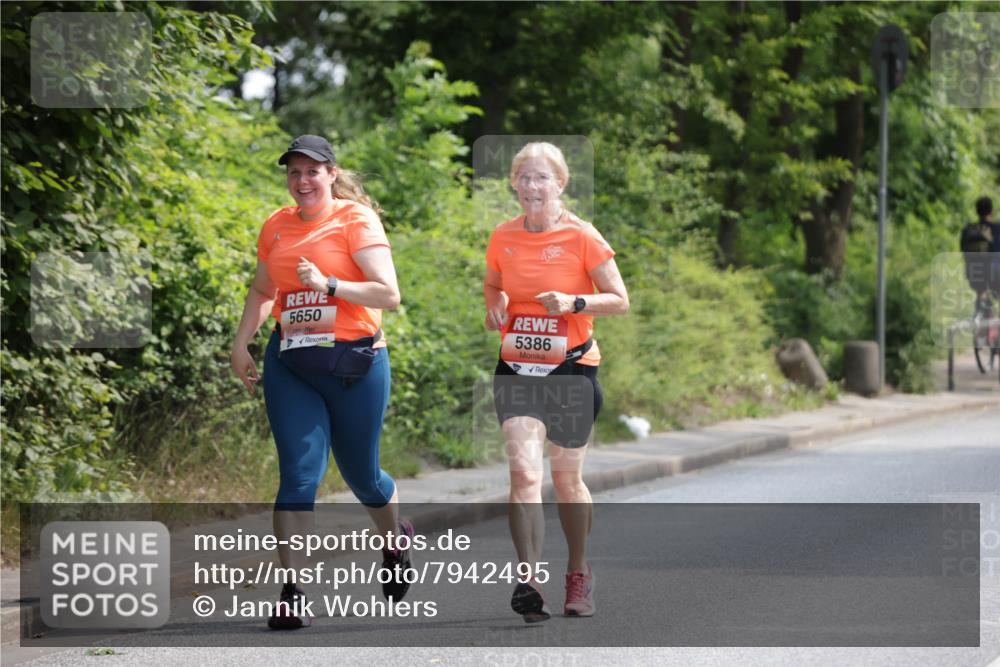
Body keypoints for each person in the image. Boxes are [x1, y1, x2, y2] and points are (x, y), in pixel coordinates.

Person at [230, 135, 412, 630]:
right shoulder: (276, 225)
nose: (302, 181)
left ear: (332, 174)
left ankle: (394, 541)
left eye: (313, 171)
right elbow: (264, 288)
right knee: (299, 474)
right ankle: (293, 592)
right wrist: (242, 341)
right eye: (294, 172)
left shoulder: (356, 220)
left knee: (363, 477)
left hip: (354, 364)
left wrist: (328, 285)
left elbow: (388, 294)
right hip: (291, 362)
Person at [483, 142, 629, 622]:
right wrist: (495, 303)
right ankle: (528, 580)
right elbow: (493, 283)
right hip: (518, 367)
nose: (532, 187)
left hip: (572, 368)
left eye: (542, 178)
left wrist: (573, 302)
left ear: (560, 184)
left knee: (567, 481)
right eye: (524, 177)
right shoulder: (503, 236)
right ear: (513, 183)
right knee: (524, 474)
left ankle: (579, 571)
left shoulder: (583, 236)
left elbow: (618, 298)